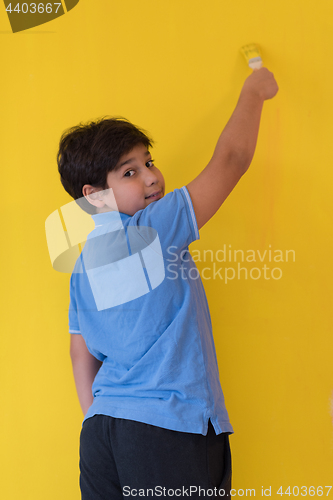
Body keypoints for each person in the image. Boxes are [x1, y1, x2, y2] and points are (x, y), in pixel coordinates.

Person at [57, 67, 278, 499]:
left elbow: (79, 350)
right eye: (130, 172)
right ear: (94, 195)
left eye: (148, 162)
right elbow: (231, 160)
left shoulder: (81, 266)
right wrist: (255, 91)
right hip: (168, 429)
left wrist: (98, 418)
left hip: (101, 435)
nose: (152, 176)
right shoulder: (152, 228)